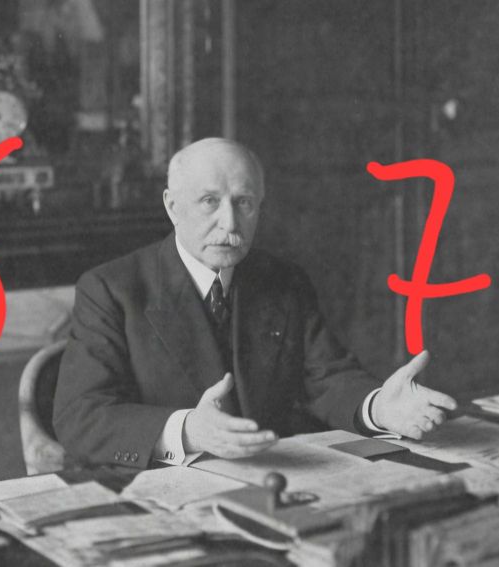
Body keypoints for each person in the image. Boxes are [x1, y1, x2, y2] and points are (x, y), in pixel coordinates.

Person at [53, 138, 457, 469]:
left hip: (272, 479)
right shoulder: (111, 288)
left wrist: (377, 408)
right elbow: (80, 415)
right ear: (172, 207)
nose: (230, 223)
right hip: (162, 487)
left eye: (243, 202)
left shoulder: (284, 281)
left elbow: (328, 377)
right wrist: (187, 430)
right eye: (209, 201)